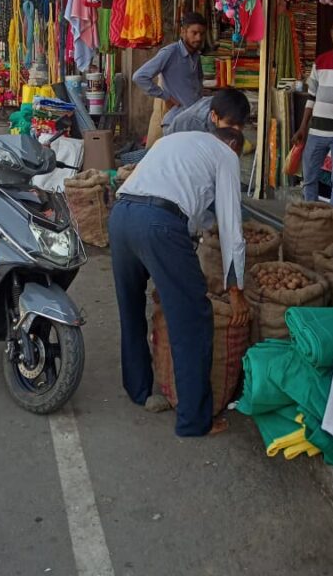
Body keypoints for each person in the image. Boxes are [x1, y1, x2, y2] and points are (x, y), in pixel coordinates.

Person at [109, 127, 251, 437]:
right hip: (158, 224)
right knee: (192, 320)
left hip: (121, 215)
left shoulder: (174, 141)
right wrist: (235, 290)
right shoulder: (226, 155)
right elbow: (231, 229)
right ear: (233, 144)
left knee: (130, 307)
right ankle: (194, 421)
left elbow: (189, 207)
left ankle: (138, 389)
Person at [291, 18, 333, 206]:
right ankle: (311, 215)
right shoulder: (320, 61)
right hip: (316, 132)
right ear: (330, 32)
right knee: (309, 177)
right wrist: (303, 127)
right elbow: (311, 97)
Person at [132, 12, 206, 131]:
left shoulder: (196, 55)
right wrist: (166, 97)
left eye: (202, 34)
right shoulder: (171, 52)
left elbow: (197, 84)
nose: (199, 38)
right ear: (183, 32)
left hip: (193, 120)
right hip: (176, 123)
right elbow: (139, 77)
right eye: (194, 33)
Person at [163, 87, 251, 136]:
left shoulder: (223, 107)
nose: (236, 130)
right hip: (171, 129)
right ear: (214, 117)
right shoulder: (195, 123)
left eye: (240, 125)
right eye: (230, 124)